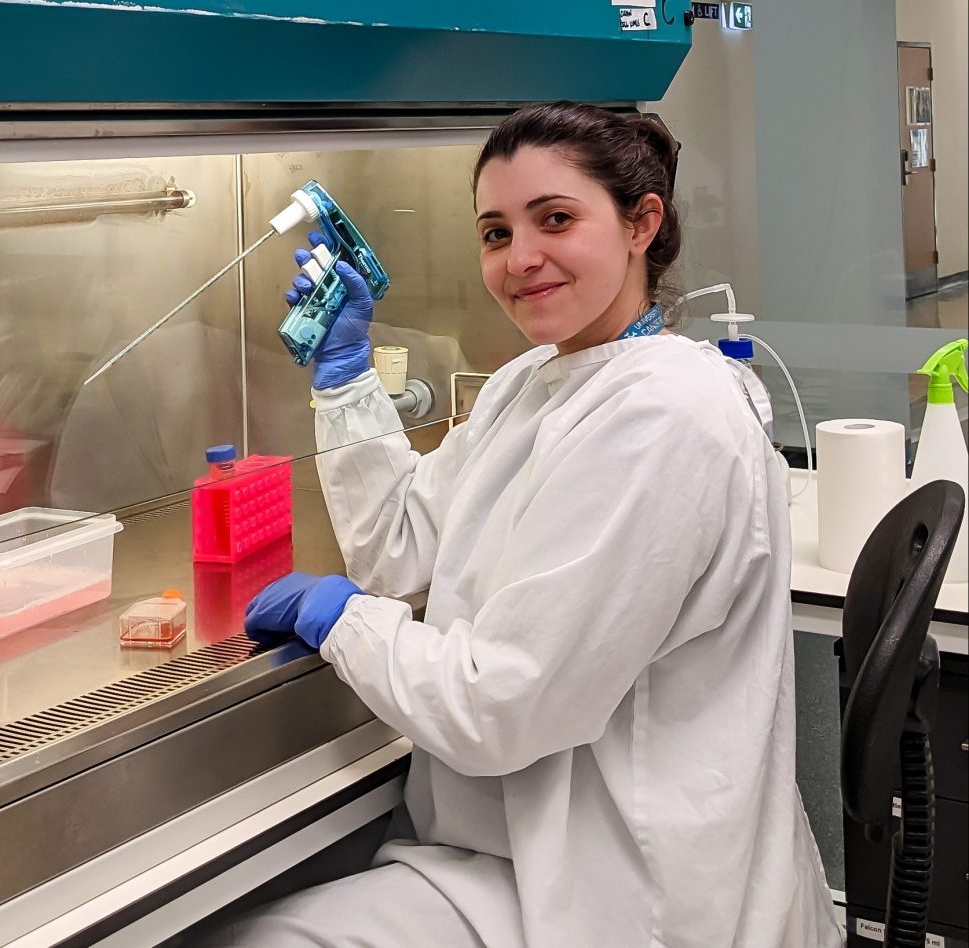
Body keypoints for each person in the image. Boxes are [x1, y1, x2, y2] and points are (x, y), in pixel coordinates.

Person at [203, 102, 843, 947]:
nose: (520, 259)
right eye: (496, 233)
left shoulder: (667, 414)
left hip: (627, 891)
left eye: (556, 220)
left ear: (641, 222)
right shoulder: (533, 381)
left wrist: (343, 618)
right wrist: (346, 380)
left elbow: (498, 707)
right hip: (516, 850)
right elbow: (399, 551)